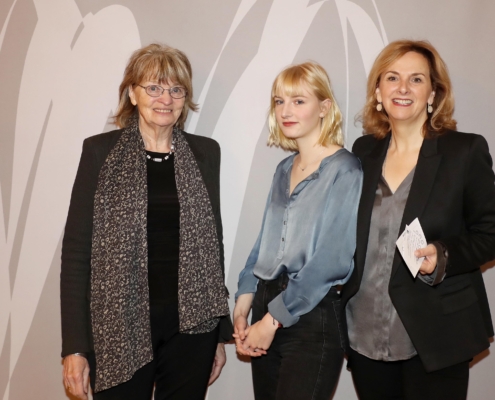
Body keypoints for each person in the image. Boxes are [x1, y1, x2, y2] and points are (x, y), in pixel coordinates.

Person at [60, 43, 233, 400]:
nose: (165, 99)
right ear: (132, 94)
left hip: (193, 326)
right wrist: (74, 347)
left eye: (176, 89)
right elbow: (77, 253)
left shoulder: (205, 153)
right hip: (120, 325)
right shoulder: (100, 152)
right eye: (153, 87)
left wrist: (218, 332)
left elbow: (211, 245)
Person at [342, 39, 495, 400]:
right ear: (378, 92)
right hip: (365, 333)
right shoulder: (363, 152)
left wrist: (443, 254)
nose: (403, 88)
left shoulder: (464, 151)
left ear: (433, 93)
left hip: (436, 335)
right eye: (392, 78)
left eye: (416, 79)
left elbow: (490, 231)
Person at [233, 61, 362, 400]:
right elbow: (265, 243)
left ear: (324, 107)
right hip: (265, 303)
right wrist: (243, 305)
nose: (286, 111)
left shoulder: (345, 170)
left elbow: (332, 261)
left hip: (312, 315)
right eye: (279, 101)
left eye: (298, 101)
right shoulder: (283, 168)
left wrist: (271, 321)